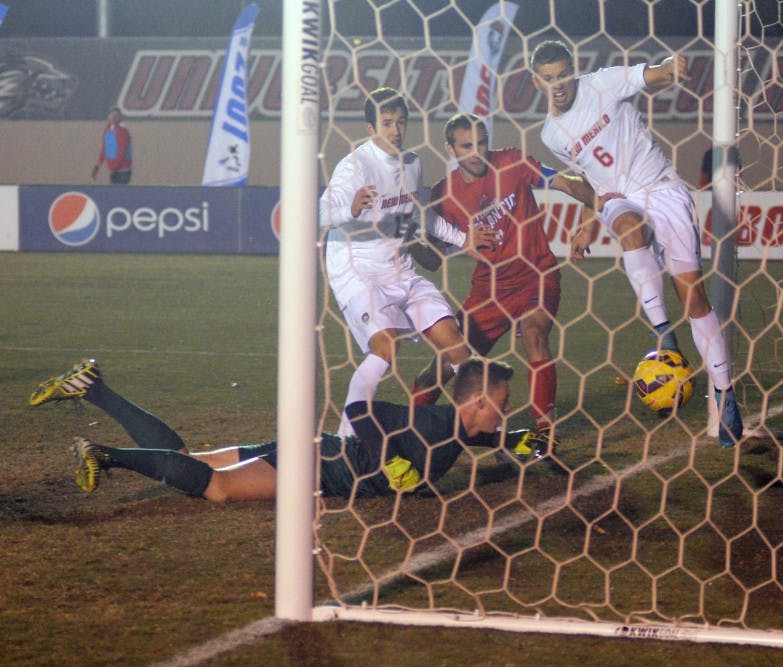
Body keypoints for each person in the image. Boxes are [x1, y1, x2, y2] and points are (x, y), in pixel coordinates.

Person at [530, 40, 744, 447]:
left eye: (562, 75)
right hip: (618, 199)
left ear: (573, 70)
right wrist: (591, 219)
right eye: (548, 78)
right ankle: (664, 333)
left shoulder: (603, 84)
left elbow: (650, 74)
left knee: (694, 298)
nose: (557, 85)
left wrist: (669, 67)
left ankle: (724, 390)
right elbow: (594, 179)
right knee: (628, 227)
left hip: (661, 188)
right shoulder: (551, 134)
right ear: (537, 80)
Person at [28, 358, 552, 501]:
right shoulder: (435, 424)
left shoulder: (458, 428)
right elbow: (360, 413)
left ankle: (93, 387)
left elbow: (479, 438)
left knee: (194, 457)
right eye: (501, 406)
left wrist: (520, 440)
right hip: (318, 469)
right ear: (477, 401)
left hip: (317, 453)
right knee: (218, 489)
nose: (504, 413)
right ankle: (105, 455)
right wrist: (390, 462)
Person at [411, 113, 597, 440]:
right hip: (490, 290)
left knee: (535, 333)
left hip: (537, 274)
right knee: (446, 363)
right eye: (467, 146)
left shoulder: (512, 161)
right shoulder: (445, 195)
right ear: (450, 149)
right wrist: (407, 240)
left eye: (481, 143)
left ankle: (544, 432)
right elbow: (432, 261)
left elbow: (568, 184)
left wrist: (590, 219)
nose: (477, 152)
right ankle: (412, 426)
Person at [318, 87, 475, 438]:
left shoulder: (412, 163)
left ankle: (479, 425)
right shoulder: (355, 166)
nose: (396, 131)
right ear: (371, 128)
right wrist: (352, 208)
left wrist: (464, 240)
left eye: (401, 122)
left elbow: (421, 218)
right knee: (387, 346)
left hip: (399, 268)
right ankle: (345, 440)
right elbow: (321, 211)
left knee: (457, 346)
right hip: (356, 268)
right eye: (387, 123)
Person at [91, 107, 132, 184]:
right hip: (114, 171)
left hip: (122, 172)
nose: (113, 117)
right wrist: (97, 167)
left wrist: (114, 168)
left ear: (120, 118)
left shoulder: (123, 131)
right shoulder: (107, 131)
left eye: (116, 115)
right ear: (108, 117)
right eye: (112, 115)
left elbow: (121, 151)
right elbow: (104, 150)